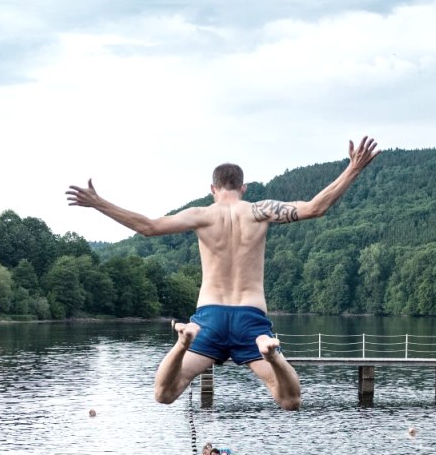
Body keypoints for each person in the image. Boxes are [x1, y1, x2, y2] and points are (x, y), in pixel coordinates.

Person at [67, 138, 381, 410]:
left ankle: (182, 342)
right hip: (251, 318)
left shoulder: (201, 214)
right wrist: (353, 167)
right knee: (289, 400)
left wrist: (98, 203)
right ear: (243, 188)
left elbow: (147, 227)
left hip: (209, 319)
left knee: (164, 394)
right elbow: (315, 207)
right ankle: (271, 354)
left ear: (213, 189)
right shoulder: (260, 210)